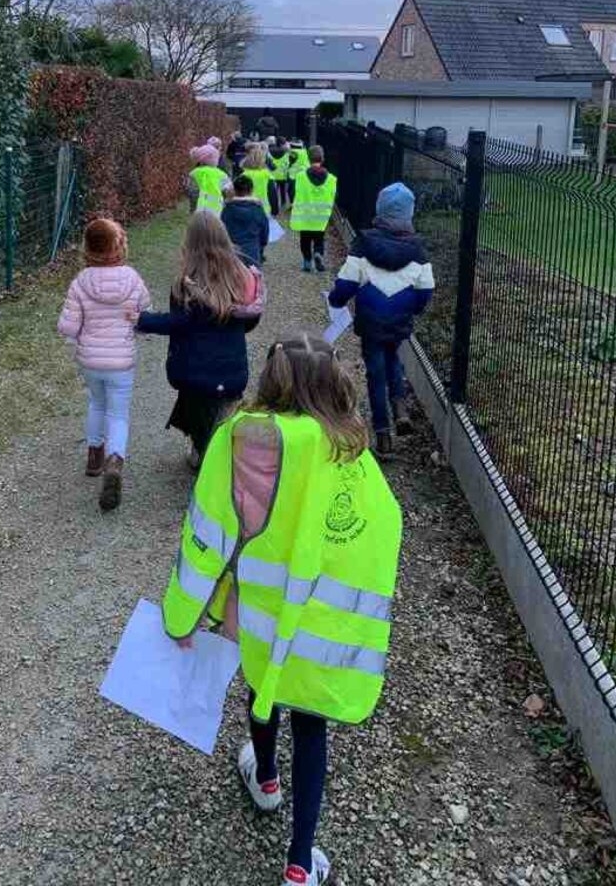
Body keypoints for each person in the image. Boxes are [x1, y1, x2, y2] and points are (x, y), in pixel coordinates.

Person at [162, 334, 402, 885]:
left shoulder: (237, 439)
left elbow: (208, 530)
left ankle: (266, 778)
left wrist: (185, 613)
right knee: (311, 725)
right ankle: (299, 862)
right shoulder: (347, 451)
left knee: (260, 687)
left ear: (272, 378)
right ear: (335, 382)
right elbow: (380, 530)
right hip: (313, 619)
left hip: (255, 610)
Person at [135, 210, 264, 467]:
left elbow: (178, 323)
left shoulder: (188, 283)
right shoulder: (243, 276)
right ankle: (218, 455)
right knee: (223, 422)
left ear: (190, 242)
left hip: (194, 371)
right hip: (232, 371)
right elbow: (249, 323)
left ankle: (205, 458)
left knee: (199, 415)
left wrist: (142, 319)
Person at [328, 182, 434, 456]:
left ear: (380, 209)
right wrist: (414, 308)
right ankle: (400, 407)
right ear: (409, 213)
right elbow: (425, 289)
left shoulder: (363, 245)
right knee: (393, 358)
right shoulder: (418, 251)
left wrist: (336, 300)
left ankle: (383, 434)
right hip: (399, 318)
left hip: (371, 319)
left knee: (375, 372)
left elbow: (346, 283)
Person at [57, 218, 151, 512]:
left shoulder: (80, 282)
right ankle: (114, 460)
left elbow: (68, 327)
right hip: (121, 361)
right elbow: (145, 313)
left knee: (96, 404)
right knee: (118, 414)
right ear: (120, 245)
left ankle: (94, 457)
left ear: (88, 247)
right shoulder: (132, 279)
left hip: (91, 361)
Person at [289, 145, 336, 273]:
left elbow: (293, 192)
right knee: (319, 238)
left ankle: (307, 262)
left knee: (305, 240)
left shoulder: (300, 176)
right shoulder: (331, 179)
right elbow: (333, 196)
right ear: (322, 158)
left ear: (309, 158)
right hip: (321, 216)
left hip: (304, 215)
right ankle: (318, 253)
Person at [221, 173, 270, 268]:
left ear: (234, 190)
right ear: (251, 190)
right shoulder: (257, 209)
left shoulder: (227, 209)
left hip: (232, 250)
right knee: (253, 274)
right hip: (252, 250)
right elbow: (264, 230)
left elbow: (222, 230)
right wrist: (262, 245)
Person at [186, 144, 233, 215]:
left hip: (199, 208)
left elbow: (192, 191)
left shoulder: (194, 173)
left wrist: (193, 208)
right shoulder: (221, 174)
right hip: (217, 208)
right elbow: (229, 191)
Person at [240, 142, 280, 217]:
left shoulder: (243, 175)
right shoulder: (267, 175)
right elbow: (272, 195)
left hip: (245, 210)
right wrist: (275, 211)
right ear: (262, 159)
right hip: (263, 210)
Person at [270, 137, 292, 211]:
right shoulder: (287, 152)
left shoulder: (270, 150)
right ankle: (283, 204)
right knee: (283, 191)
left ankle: (274, 205)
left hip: (273, 175)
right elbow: (288, 163)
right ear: (282, 144)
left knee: (274, 192)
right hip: (282, 175)